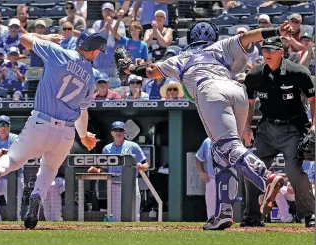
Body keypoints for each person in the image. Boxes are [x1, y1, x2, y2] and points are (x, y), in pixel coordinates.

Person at [119, 20, 294, 230]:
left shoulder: (180, 57)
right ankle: (223, 213)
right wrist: (276, 31)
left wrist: (130, 68)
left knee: (228, 147)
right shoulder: (218, 47)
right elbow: (250, 36)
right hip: (237, 90)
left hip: (210, 90)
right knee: (221, 153)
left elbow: (150, 72)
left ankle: (267, 178)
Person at [0, 28, 107, 229]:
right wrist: (83, 136)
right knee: (49, 168)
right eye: (99, 50)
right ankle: (36, 196)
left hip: (40, 123)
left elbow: (24, 39)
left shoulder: (59, 52)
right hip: (66, 132)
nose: (99, 53)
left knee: (13, 159)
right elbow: (82, 112)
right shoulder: (91, 79)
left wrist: (45, 37)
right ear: (92, 50)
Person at [242, 37, 315, 228]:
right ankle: (252, 217)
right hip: (266, 129)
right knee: (251, 168)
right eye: (264, 50)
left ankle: (310, 216)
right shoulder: (255, 74)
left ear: (281, 52)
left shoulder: (298, 72)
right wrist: (246, 126)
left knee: (293, 170)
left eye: (271, 50)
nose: (267, 54)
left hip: (293, 128)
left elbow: (313, 99)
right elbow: (249, 103)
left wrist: (314, 126)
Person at [87, 121, 149, 221]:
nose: (118, 132)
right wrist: (95, 170)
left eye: (120, 130)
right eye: (115, 130)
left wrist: (141, 166)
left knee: (134, 214)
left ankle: (134, 235)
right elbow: (104, 170)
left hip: (131, 184)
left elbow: (146, 164)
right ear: (112, 132)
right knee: (116, 215)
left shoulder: (133, 146)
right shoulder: (107, 149)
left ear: (124, 132)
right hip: (114, 184)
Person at [195, 137, 215, 219]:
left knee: (227, 209)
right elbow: (198, 158)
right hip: (212, 179)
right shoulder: (208, 141)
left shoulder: (229, 140)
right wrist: (201, 172)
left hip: (226, 179)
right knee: (211, 212)